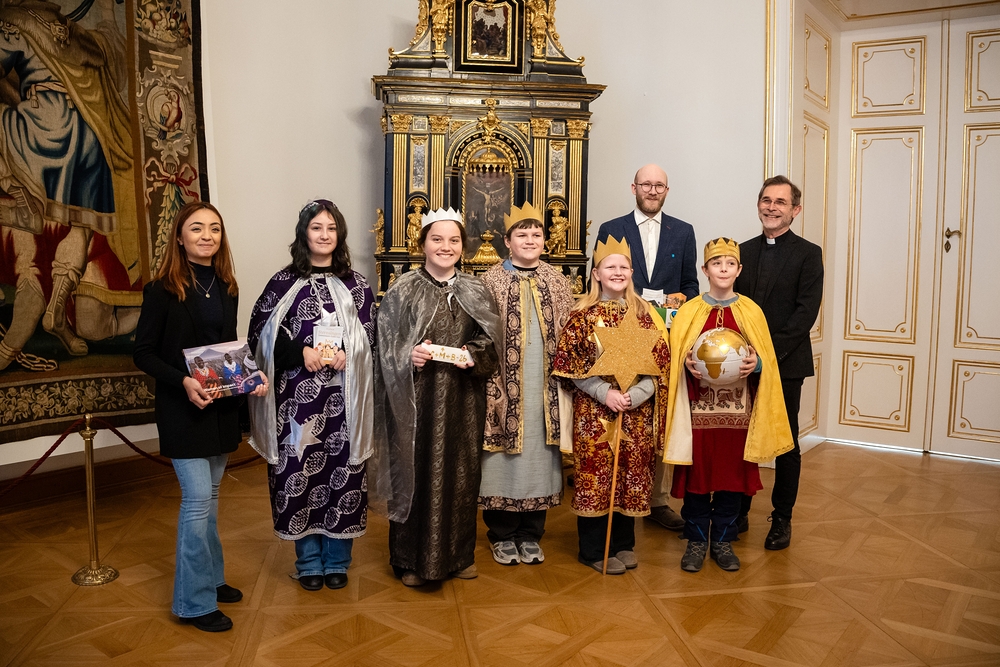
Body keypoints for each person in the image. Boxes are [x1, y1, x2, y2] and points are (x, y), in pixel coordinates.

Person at [133, 202, 268, 633]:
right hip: (181, 409)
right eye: (196, 228)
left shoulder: (227, 286)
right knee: (196, 502)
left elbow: (224, 351)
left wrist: (250, 376)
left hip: (219, 410)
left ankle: (211, 578)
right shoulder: (161, 290)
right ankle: (192, 603)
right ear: (179, 236)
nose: (206, 235)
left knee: (209, 500)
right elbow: (143, 353)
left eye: (214, 228)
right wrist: (184, 382)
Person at [247, 199, 376, 592]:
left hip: (345, 404)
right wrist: (299, 352)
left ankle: (337, 560)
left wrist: (350, 352)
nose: (324, 235)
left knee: (344, 476)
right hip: (296, 405)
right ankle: (307, 563)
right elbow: (259, 337)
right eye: (317, 227)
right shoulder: (282, 283)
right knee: (297, 476)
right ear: (304, 233)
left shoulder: (357, 285)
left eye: (331, 228)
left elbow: (373, 337)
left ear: (340, 235)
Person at [373, 207, 501, 586]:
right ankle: (410, 560)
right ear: (423, 243)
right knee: (414, 472)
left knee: (461, 476)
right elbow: (384, 346)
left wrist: (473, 354)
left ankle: (459, 557)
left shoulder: (477, 290)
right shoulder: (403, 289)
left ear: (463, 245)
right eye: (437, 239)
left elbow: (492, 342)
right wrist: (407, 355)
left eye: (454, 240)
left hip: (464, 401)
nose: (446, 246)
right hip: (416, 402)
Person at [663, 238, 793, 572]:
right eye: (716, 263)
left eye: (730, 264)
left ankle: (722, 539)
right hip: (698, 413)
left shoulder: (751, 311)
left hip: (738, 415)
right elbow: (674, 358)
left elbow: (766, 359)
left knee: (731, 479)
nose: (723, 269)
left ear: (739, 270)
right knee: (698, 477)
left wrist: (757, 365)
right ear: (704, 270)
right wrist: (685, 364)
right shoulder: (689, 312)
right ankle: (696, 540)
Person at [552, 236, 670, 574]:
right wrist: (605, 393)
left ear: (631, 273)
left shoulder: (646, 315)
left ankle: (623, 543)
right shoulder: (582, 316)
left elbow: (661, 364)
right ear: (597, 274)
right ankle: (592, 549)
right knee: (596, 474)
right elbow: (571, 366)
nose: (617, 272)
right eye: (610, 267)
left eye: (623, 267)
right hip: (596, 412)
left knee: (631, 473)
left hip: (636, 412)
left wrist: (640, 393)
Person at [595, 163, 699, 532]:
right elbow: (600, 278)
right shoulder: (612, 228)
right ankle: (614, 493)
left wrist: (683, 297)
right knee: (621, 410)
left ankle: (656, 499)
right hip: (620, 335)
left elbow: (691, 284)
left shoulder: (683, 231)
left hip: (663, 338)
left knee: (657, 416)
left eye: (659, 185)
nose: (652, 191)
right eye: (646, 184)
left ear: (666, 191)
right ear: (634, 187)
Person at [479, 202, 574, 566]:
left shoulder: (558, 281)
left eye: (537, 234)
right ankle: (502, 535)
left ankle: (531, 534)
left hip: (545, 390)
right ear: (508, 241)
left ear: (545, 241)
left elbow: (570, 333)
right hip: (502, 388)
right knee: (502, 460)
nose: (530, 240)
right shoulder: (490, 281)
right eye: (522, 234)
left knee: (540, 456)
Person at [733, 176, 824, 550]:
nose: (772, 207)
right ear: (758, 205)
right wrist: (743, 355)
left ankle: (782, 518)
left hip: (786, 363)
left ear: (795, 210)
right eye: (766, 200)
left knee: (785, 443)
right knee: (741, 438)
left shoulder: (808, 254)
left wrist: (767, 357)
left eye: (780, 202)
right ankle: (737, 511)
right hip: (742, 363)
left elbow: (805, 314)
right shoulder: (741, 251)